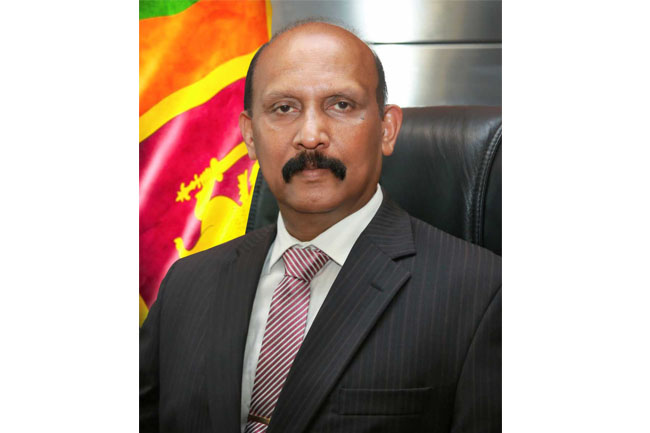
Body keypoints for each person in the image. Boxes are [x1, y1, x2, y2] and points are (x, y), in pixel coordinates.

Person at [140, 20, 501, 433]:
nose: (310, 136)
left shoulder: (483, 296)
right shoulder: (187, 284)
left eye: (340, 105)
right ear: (250, 136)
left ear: (387, 129)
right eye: (284, 108)